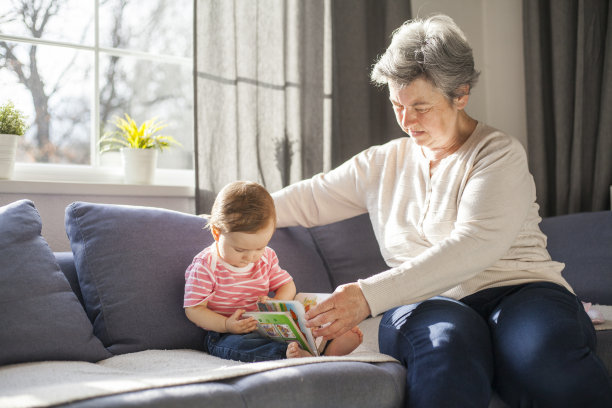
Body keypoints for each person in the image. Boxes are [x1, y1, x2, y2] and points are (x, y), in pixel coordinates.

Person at [271, 14, 612, 407]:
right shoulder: (381, 163)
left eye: (420, 106)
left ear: (460, 94)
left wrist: (366, 296)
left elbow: (473, 244)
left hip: (522, 291)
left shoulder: (497, 154)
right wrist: (233, 213)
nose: (406, 120)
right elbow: (304, 200)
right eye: (397, 104)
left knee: (541, 358)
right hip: (426, 303)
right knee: (446, 349)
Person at [184, 180, 363, 362]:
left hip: (267, 326)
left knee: (303, 326)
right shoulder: (205, 267)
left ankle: (326, 344)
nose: (251, 257)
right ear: (216, 233)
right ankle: (286, 355)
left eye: (260, 247)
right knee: (239, 345)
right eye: (240, 250)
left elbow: (287, 284)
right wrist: (226, 324)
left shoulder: (266, 257)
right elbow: (194, 310)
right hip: (224, 333)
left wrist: (276, 304)